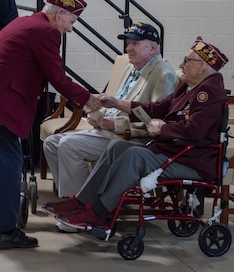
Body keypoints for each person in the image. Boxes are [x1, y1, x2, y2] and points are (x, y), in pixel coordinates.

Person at [43, 36, 229, 230]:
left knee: (134, 155)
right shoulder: (188, 86)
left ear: (202, 66)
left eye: (187, 61)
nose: (182, 65)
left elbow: (195, 132)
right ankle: (82, 201)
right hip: (173, 152)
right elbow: (157, 108)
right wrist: (117, 103)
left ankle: (99, 213)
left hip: (192, 161)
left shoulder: (209, 92)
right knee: (117, 147)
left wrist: (162, 128)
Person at [0, 0, 101, 250]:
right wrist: (89, 99)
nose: (71, 28)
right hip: (5, 105)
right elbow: (58, 78)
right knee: (8, 168)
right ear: (59, 14)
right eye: (72, 21)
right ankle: (5, 231)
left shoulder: (26, 22)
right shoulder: (45, 31)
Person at [43, 21, 177, 199]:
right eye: (128, 43)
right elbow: (115, 103)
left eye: (135, 44)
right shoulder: (130, 67)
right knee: (51, 143)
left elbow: (156, 124)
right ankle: (77, 197)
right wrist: (97, 115)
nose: (128, 48)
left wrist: (116, 124)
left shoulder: (163, 74)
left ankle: (82, 204)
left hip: (129, 138)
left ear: (153, 48)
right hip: (107, 131)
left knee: (68, 146)